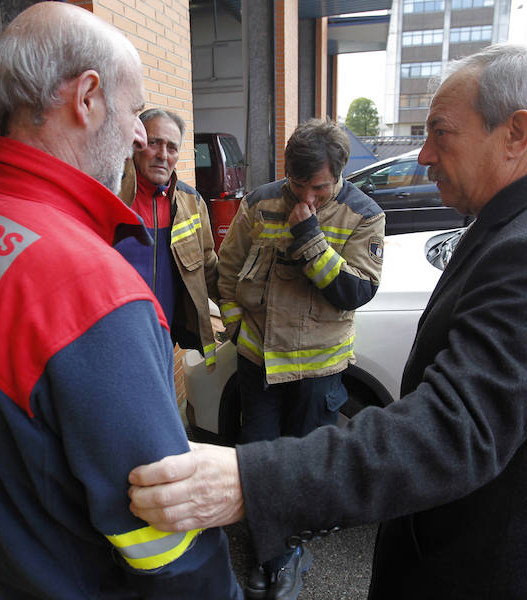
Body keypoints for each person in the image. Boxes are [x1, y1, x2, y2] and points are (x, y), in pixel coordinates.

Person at [128, 44, 527, 600]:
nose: (424, 154)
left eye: (441, 132)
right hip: (262, 364)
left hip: (469, 573)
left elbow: (449, 432)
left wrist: (250, 480)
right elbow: (230, 274)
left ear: (515, 132)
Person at [0, 3, 241, 598]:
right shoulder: (95, 288)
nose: (142, 135)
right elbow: (166, 540)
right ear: (87, 98)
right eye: (134, 110)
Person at [216, 118, 385, 599]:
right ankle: (272, 555)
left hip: (317, 370)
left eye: (318, 188)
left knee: (307, 466)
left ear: (340, 175)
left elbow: (355, 291)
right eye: (296, 184)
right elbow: (227, 271)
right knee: (261, 463)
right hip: (260, 364)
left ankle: (289, 554)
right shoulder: (260, 202)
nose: (304, 196)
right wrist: (233, 326)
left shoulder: (364, 214)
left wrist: (309, 233)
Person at [116, 108, 220, 370]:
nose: (163, 155)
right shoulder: (110, 193)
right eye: (154, 143)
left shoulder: (192, 202)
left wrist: (242, 315)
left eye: (172, 148)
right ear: (137, 142)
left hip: (164, 339)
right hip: (113, 337)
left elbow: (209, 268)